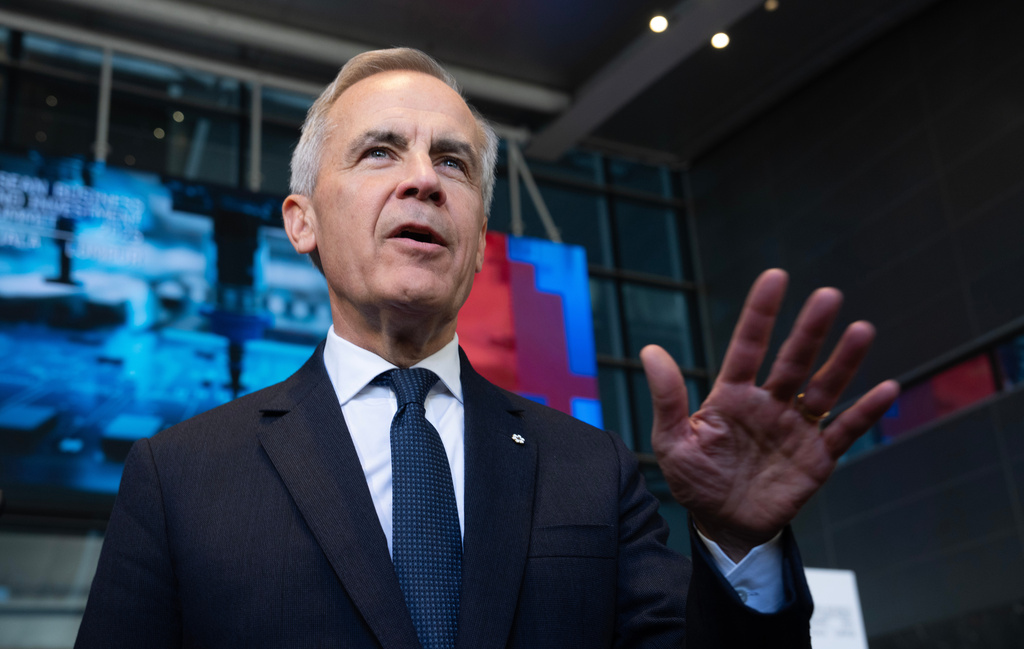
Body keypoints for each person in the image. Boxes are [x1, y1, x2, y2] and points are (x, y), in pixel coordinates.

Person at [75, 48, 899, 648]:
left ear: (475, 243)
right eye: (380, 151)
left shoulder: (591, 470)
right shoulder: (178, 476)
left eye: (453, 162)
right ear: (303, 222)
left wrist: (736, 542)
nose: (424, 180)